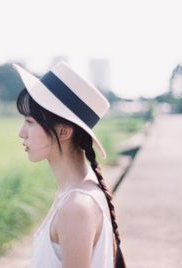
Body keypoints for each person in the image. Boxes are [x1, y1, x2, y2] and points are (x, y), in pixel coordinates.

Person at [12, 61, 126, 268]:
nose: (21, 133)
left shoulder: (76, 206)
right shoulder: (77, 191)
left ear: (64, 132)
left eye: (29, 122)